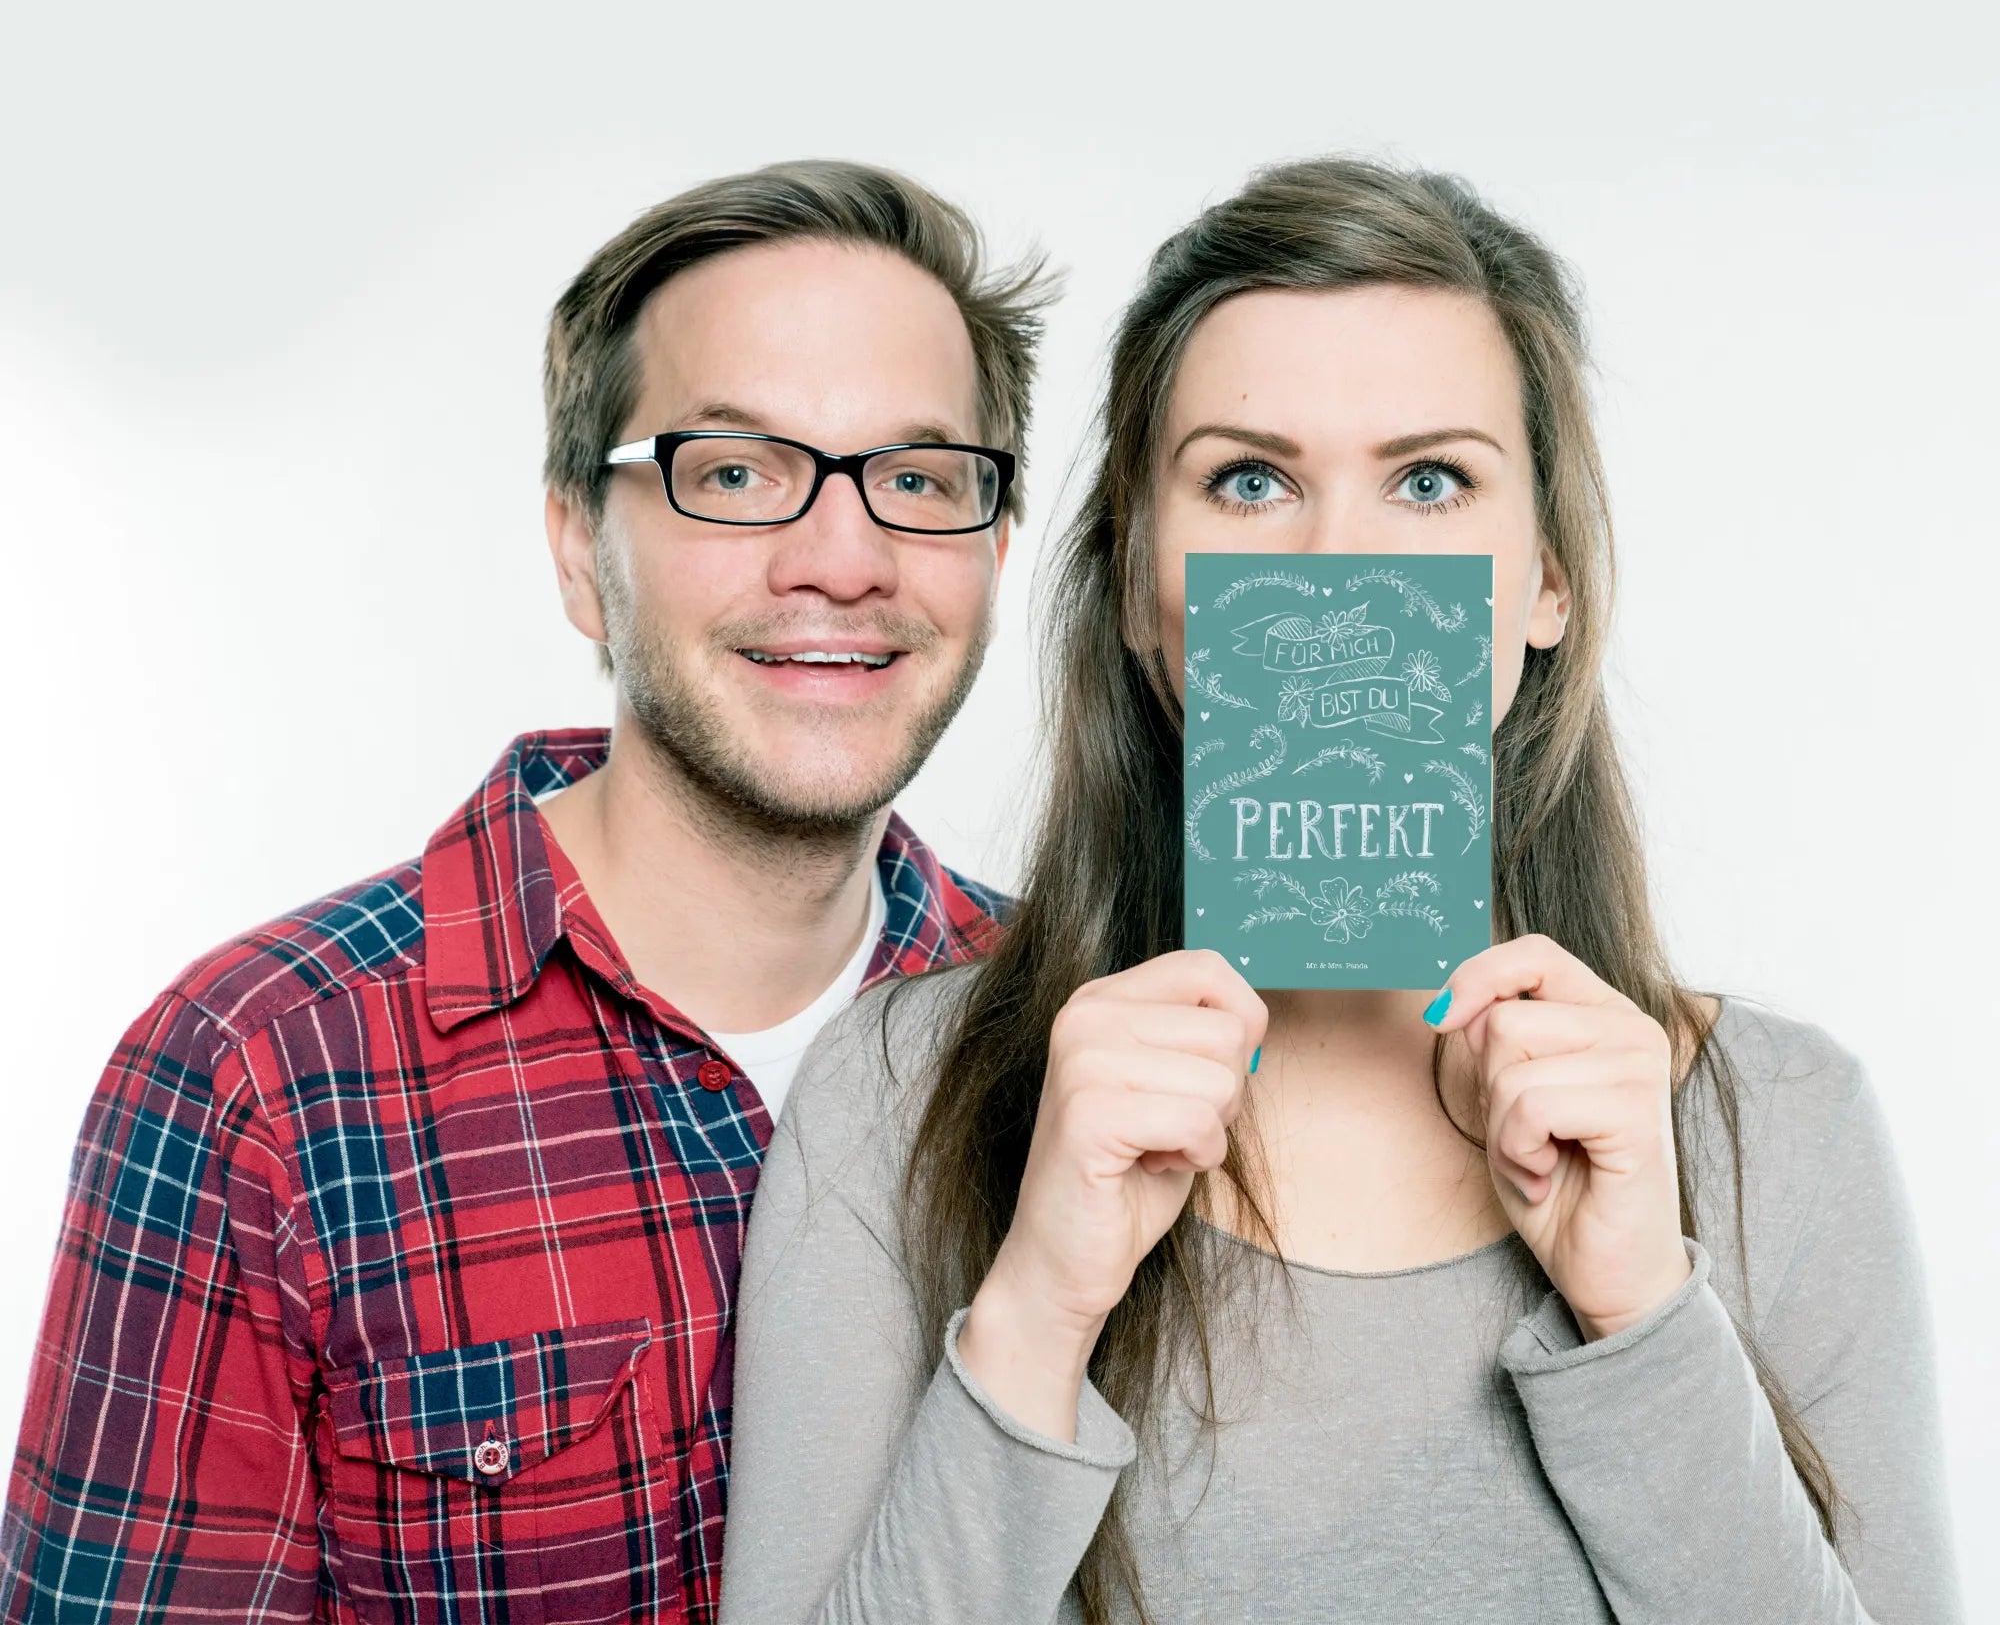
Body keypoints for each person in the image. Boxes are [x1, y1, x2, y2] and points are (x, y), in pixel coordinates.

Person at [718, 158, 1963, 1623]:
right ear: (1138, 583)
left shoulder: (1783, 1126)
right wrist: (1038, 1306)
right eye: (1250, 481)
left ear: (1547, 581)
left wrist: (1641, 1313)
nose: (1339, 562)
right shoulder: (898, 1095)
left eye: (1430, 482)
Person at [0, 160, 1051, 1624]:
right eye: (735, 473)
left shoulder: (1067, 1021)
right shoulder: (255, 1079)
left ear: (994, 547)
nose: (844, 559)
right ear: (578, 551)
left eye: (919, 481)